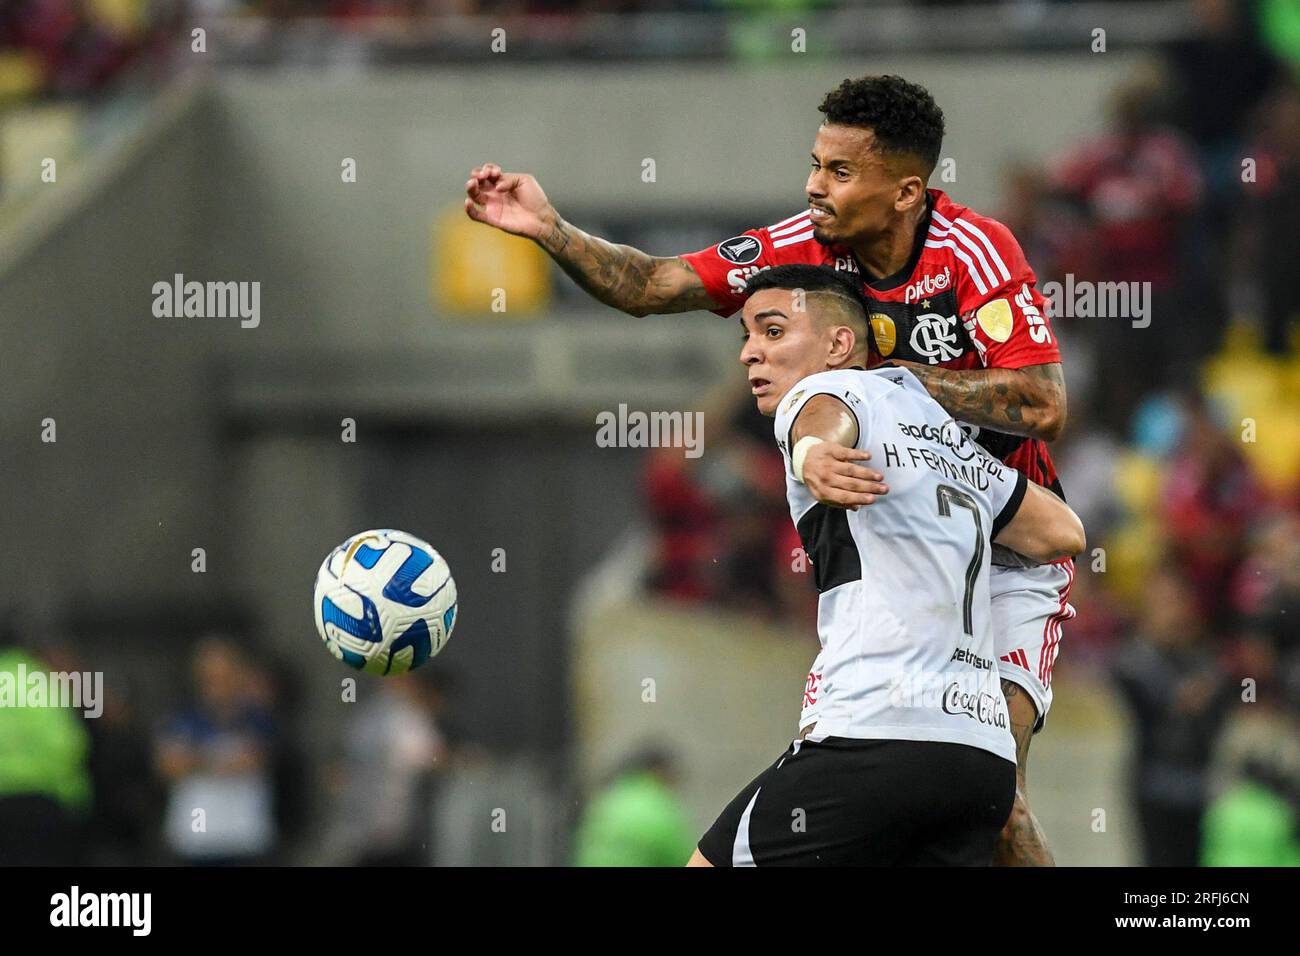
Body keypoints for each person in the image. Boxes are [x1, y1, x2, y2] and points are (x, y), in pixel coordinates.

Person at [466, 74, 1071, 865]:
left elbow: (1042, 403)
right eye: (815, 164)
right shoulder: (801, 249)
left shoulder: (973, 253)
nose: (814, 186)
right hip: (906, 545)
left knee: (998, 797)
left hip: (1010, 551)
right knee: (931, 788)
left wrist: (888, 382)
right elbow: (654, 285)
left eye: (840, 172)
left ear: (907, 191)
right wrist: (551, 230)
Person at [689, 265, 1083, 865]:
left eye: (771, 332)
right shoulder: (943, 434)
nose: (749, 353)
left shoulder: (830, 392)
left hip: (872, 734)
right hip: (977, 764)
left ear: (839, 345)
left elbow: (822, 416)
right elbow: (1063, 532)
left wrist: (813, 451)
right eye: (745, 336)